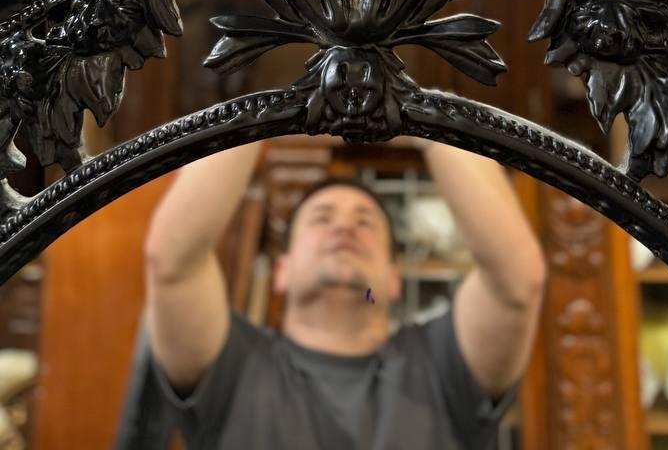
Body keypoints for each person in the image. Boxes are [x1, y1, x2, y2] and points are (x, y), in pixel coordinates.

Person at [118, 135, 546, 450]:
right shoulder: (235, 365)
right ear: (282, 271)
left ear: (393, 280)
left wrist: (425, 120)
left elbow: (517, 283)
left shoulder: (441, 367)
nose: (344, 227)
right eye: (322, 217)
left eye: (365, 222)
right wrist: (260, 114)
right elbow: (172, 262)